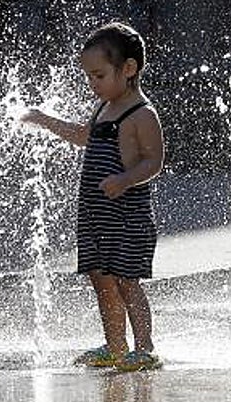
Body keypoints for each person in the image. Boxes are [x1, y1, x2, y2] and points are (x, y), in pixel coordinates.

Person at [22, 22, 165, 372]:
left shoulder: (141, 114)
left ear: (128, 69)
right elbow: (82, 136)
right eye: (88, 76)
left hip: (127, 215)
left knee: (126, 281)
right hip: (95, 214)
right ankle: (115, 346)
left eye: (99, 75)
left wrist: (126, 179)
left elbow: (154, 161)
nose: (92, 84)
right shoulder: (105, 108)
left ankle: (144, 348)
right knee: (101, 281)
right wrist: (44, 120)